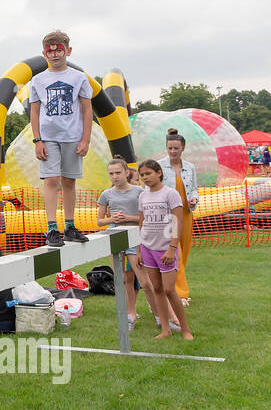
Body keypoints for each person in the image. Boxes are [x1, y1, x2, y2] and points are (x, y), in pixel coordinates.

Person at [27, 30, 92, 246]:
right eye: (50, 51)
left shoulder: (79, 78)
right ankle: (52, 227)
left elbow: (86, 110)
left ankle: (70, 225)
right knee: (51, 179)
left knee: (69, 180)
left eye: (59, 50)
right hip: (48, 136)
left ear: (68, 51)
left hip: (72, 135)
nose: (55, 55)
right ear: (44, 54)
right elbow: (34, 112)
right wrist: (37, 140)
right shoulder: (38, 81)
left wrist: (86, 139)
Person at [135, 159, 192, 341]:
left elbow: (178, 221)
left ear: (159, 173)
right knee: (157, 288)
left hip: (166, 248)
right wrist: (138, 250)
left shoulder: (171, 194)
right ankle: (165, 328)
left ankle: (185, 329)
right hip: (147, 248)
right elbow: (141, 223)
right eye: (142, 175)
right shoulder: (143, 196)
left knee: (169, 289)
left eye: (148, 173)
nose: (145, 177)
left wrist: (172, 247)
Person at [96, 159, 143, 330]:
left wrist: (129, 218)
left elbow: (145, 218)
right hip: (114, 237)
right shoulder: (106, 194)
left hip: (133, 238)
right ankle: (128, 315)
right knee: (121, 279)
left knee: (135, 277)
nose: (114, 176)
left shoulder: (139, 192)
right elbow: (99, 222)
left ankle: (138, 312)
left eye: (118, 173)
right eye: (111, 174)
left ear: (126, 173)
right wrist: (112, 219)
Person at [159, 129, 199, 308]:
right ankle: (180, 292)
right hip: (168, 216)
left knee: (185, 250)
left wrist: (194, 199)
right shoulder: (159, 166)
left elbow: (195, 189)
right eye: (170, 148)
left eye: (176, 148)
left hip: (186, 213)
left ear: (183, 148)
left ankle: (171, 284)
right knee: (175, 252)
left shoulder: (190, 167)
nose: (173, 151)